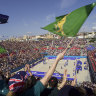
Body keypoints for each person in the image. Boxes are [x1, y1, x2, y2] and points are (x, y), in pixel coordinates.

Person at [7, 38, 74, 96]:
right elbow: (47, 77)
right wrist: (57, 59)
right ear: (24, 86)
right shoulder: (31, 93)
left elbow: (21, 80)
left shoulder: (9, 91)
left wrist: (27, 71)